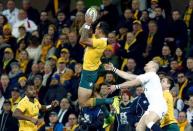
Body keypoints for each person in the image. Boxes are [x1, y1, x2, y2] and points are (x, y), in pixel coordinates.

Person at [78, 14, 120, 117]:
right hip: (90, 70)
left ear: (100, 30)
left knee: (83, 103)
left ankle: (111, 100)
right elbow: (81, 35)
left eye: (96, 27)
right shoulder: (96, 38)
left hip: (89, 72)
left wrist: (88, 23)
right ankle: (107, 115)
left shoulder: (101, 41)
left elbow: (83, 39)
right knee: (93, 96)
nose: (95, 29)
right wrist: (87, 25)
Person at [105, 61, 167, 130]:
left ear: (153, 66)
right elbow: (128, 76)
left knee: (149, 122)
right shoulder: (147, 76)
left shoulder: (151, 74)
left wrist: (117, 86)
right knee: (139, 128)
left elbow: (134, 83)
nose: (146, 63)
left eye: (148, 63)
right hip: (152, 106)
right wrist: (114, 69)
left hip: (158, 105)